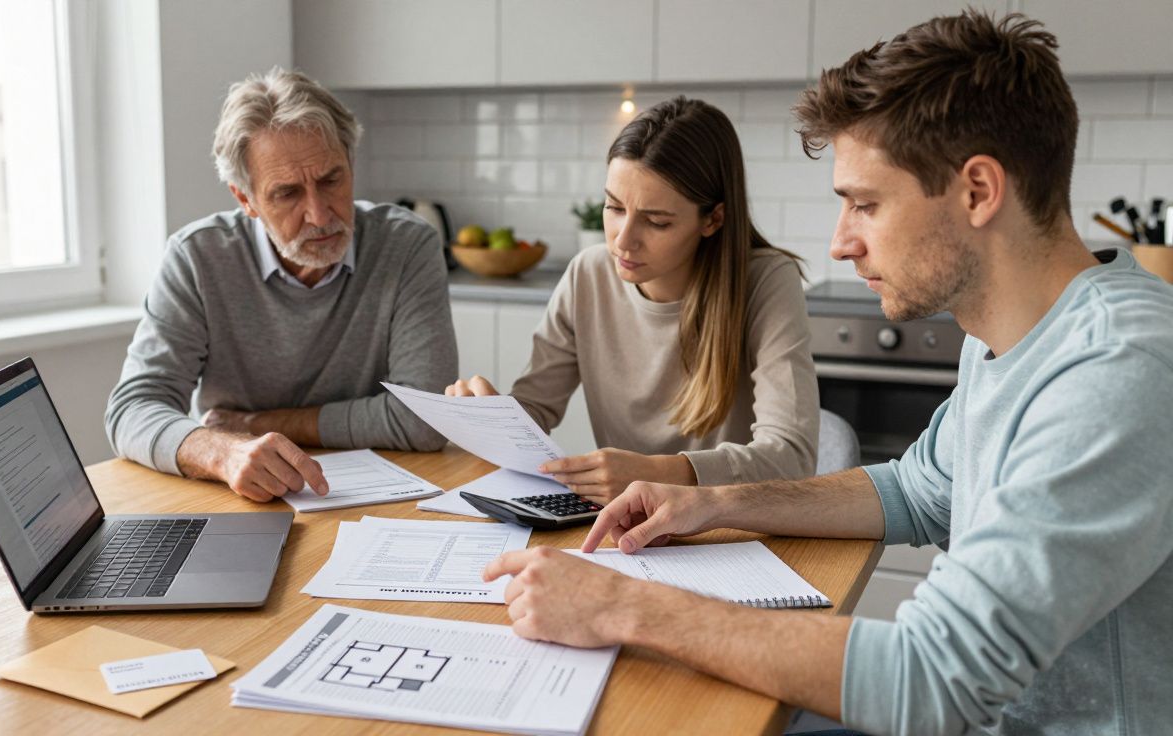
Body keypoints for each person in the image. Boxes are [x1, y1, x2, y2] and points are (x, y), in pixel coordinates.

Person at [480, 11, 1173, 735]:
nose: (841, 244)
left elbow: (929, 678)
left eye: (865, 205)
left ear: (978, 191)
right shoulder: (1009, 332)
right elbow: (915, 490)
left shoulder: (1117, 368)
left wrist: (620, 605)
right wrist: (715, 503)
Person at [105, 67, 457, 503]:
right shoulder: (198, 256)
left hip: (382, 497)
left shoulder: (406, 245)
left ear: (351, 163)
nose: (321, 214)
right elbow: (131, 410)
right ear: (245, 199)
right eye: (287, 193)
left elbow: (424, 421)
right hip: (240, 495)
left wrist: (254, 425)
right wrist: (222, 451)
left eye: (331, 180)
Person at [448, 97, 819, 502]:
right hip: (622, 526)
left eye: (656, 221)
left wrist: (657, 474)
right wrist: (490, 419)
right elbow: (534, 410)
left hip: (726, 529)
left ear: (712, 219)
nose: (623, 240)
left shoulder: (766, 281)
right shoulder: (587, 274)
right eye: (613, 207)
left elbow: (792, 457)